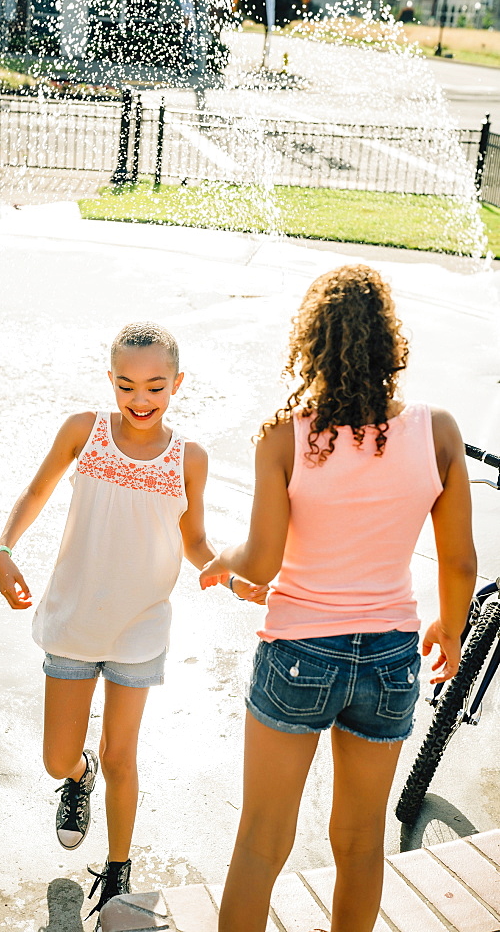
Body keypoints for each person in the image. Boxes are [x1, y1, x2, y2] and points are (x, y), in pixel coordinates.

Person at [200, 265, 477, 932]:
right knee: (358, 842)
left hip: (299, 652)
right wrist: (451, 626)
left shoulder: (284, 436)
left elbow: (261, 563)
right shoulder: (437, 431)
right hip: (389, 659)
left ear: (311, 344)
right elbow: (460, 560)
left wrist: (221, 565)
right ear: (390, 344)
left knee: (262, 840)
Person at [0, 321, 265, 922]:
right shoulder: (83, 431)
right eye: (126, 385)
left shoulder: (188, 456)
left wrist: (231, 574)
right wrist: (3, 548)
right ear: (110, 380)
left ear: (178, 384)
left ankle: (118, 869)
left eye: (155, 387)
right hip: (73, 620)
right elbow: (36, 492)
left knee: (124, 755)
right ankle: (77, 778)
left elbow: (193, 539)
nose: (140, 401)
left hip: (141, 627)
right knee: (56, 758)